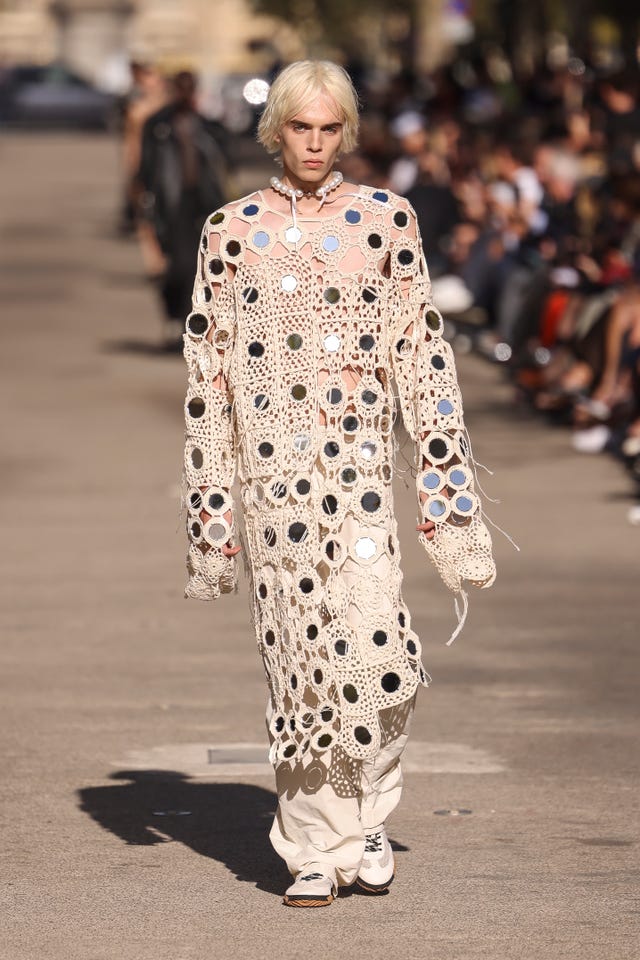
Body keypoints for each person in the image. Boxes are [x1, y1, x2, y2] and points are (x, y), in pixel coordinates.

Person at [181, 60, 496, 907]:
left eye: (328, 128)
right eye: (299, 128)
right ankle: (313, 847)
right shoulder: (230, 231)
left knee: (381, 653)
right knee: (302, 665)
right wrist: (213, 509)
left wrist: (445, 492)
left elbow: (423, 359)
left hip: (359, 477)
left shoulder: (386, 219)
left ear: (346, 131)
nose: (314, 144)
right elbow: (209, 378)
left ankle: (367, 820)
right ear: (275, 130)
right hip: (273, 483)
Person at [138, 70, 229, 345]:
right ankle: (174, 317)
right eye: (181, 88)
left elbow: (223, 164)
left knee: (201, 268)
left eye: (190, 88)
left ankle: (191, 324)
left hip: (204, 205)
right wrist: (143, 207)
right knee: (176, 268)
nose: (185, 94)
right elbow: (146, 169)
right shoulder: (158, 125)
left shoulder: (207, 126)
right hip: (171, 205)